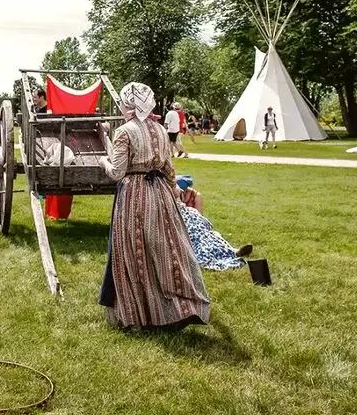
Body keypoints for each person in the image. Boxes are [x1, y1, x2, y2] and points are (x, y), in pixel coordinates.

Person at [99, 82, 210, 331]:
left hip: (134, 194)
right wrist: (173, 192)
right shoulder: (160, 129)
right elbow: (169, 169)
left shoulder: (124, 132)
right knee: (165, 249)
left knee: (133, 250)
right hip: (159, 192)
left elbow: (117, 172)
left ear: (129, 105)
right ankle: (173, 309)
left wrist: (103, 160)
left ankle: (141, 316)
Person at [177, 181, 252, 270]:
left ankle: (233, 251)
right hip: (184, 227)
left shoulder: (192, 200)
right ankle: (232, 252)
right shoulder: (166, 193)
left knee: (214, 235)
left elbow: (201, 218)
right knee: (200, 242)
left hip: (195, 223)